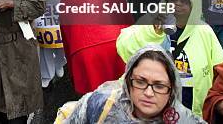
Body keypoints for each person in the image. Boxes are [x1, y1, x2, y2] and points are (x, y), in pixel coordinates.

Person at [117, 0, 223, 116]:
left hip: (189, 102)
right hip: (153, 96)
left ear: (194, 5)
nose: (177, 4)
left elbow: (220, 68)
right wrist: (153, 31)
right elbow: (124, 48)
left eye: (184, 1)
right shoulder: (151, 21)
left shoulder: (204, 31)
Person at [57, 45, 205, 124]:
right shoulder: (100, 104)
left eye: (159, 86)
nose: (148, 93)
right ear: (128, 81)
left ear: (172, 90)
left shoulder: (183, 120)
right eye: (140, 82)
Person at [60, 0, 132, 95]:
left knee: (94, 95)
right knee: (115, 93)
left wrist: (70, 49)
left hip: (100, 44)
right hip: (96, 44)